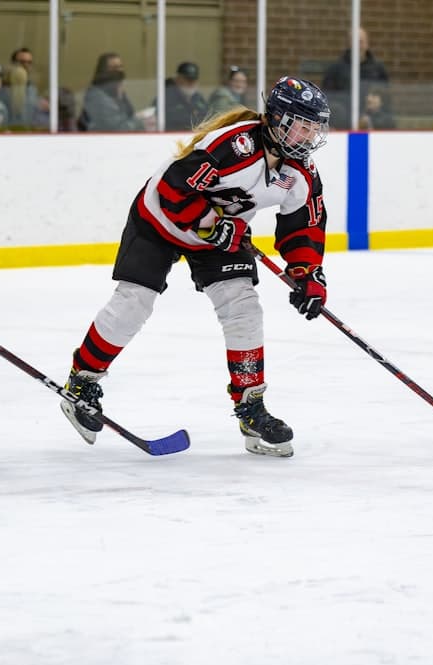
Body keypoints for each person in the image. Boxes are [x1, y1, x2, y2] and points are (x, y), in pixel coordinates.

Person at [60, 76, 331, 459]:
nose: (310, 134)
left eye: (315, 126)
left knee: (243, 307)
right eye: (304, 124)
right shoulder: (233, 145)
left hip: (220, 235)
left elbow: (305, 225)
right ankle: (82, 381)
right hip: (159, 221)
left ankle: (251, 407)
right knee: (135, 301)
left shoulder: (300, 173)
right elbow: (173, 188)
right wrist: (209, 223)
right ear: (278, 118)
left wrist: (308, 275)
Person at [321, 27, 390, 129]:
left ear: (367, 44)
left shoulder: (378, 69)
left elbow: (386, 95)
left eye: (361, 42)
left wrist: (378, 102)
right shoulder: (336, 69)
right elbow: (328, 96)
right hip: (344, 116)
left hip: (373, 115)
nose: (358, 45)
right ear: (349, 44)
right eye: (355, 42)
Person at [78, 52, 145, 132]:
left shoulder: (117, 91)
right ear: (103, 70)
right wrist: (139, 121)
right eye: (114, 67)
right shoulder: (95, 96)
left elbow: (129, 114)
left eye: (121, 67)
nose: (119, 71)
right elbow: (117, 128)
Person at [0, 47, 48, 130]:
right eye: (22, 62)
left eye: (29, 62)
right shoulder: (2, 88)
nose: (26, 65)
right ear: (13, 64)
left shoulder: (32, 89)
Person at [161, 61, 211, 132]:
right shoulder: (166, 97)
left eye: (194, 80)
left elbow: (208, 116)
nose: (191, 83)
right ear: (178, 79)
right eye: (188, 79)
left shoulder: (199, 98)